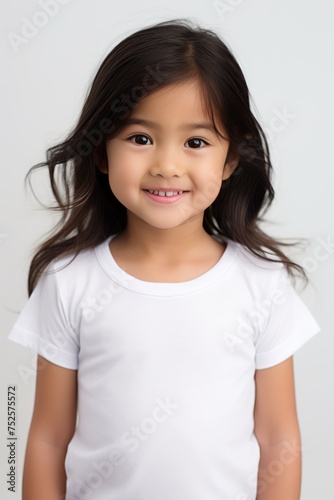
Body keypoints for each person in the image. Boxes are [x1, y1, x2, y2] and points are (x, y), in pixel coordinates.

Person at [8, 18, 321, 500]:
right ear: (102, 151)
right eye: (140, 138)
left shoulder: (261, 283)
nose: (167, 165)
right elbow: (47, 439)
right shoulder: (69, 283)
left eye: (196, 142)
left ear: (230, 159)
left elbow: (280, 438)